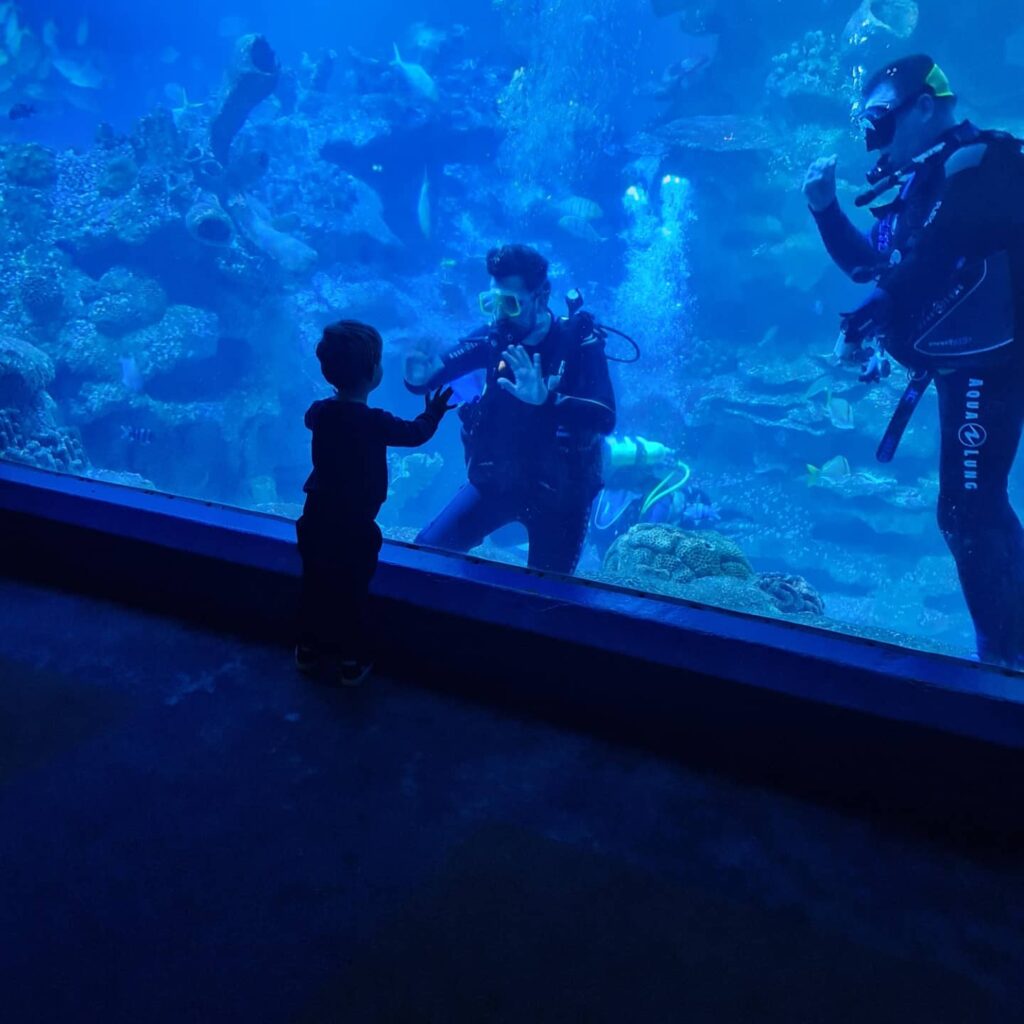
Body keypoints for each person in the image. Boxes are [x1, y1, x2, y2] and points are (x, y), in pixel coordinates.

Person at [803, 55, 1024, 670]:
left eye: (879, 121)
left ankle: (1004, 667)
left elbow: (933, 258)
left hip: (992, 368)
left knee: (969, 511)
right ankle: (1009, 659)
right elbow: (875, 269)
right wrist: (825, 210)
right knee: (970, 509)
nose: (873, 139)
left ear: (925, 106)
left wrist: (868, 315)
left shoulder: (981, 164)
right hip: (965, 366)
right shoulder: (920, 183)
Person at [404, 244, 616, 575]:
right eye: (492, 302)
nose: (499, 314)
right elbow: (436, 372)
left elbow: (605, 416)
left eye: (511, 303)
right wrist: (418, 380)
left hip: (561, 496)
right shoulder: (493, 339)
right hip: (498, 482)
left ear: (542, 296)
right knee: (425, 557)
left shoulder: (577, 343)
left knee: (546, 595)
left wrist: (547, 400)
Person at [296, 319, 454, 685]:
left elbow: (310, 418)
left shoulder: (320, 411)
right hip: (355, 525)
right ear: (373, 372)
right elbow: (415, 434)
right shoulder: (374, 421)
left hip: (316, 517)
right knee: (351, 593)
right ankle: (351, 662)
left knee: (314, 586)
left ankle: (308, 650)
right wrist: (433, 412)